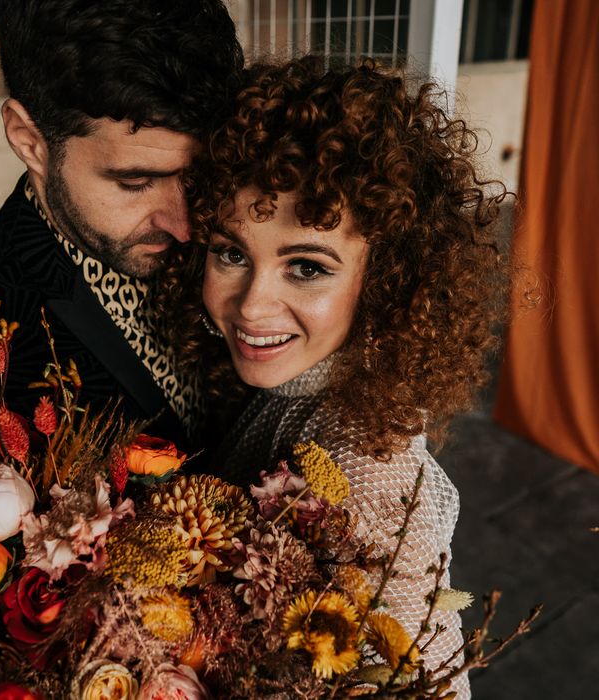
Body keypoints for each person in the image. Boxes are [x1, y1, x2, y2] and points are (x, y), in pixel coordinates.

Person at [0, 0, 243, 597]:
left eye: (196, 177)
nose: (186, 226)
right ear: (29, 139)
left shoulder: (234, 239)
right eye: (134, 181)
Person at [170, 58, 507, 697]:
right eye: (232, 252)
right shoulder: (315, 379)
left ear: (384, 281)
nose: (250, 304)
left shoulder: (365, 482)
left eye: (306, 268)